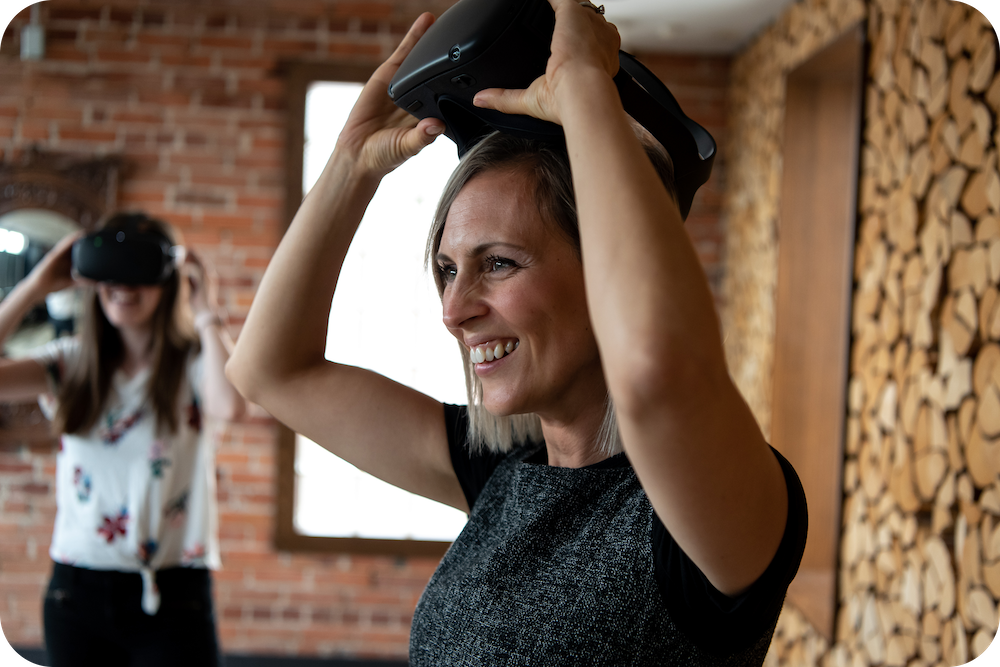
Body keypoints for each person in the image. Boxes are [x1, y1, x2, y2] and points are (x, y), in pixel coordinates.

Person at [226, 1, 807, 664]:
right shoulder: (505, 473)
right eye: (447, 269)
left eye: (498, 262)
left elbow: (654, 371)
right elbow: (269, 371)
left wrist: (587, 85)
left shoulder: (702, 511)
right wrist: (351, 165)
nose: (454, 308)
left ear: (604, 272)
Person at [0, 212, 243, 667]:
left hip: (174, 592)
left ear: (168, 280)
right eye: (112, 270)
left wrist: (206, 309)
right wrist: (35, 286)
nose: (124, 285)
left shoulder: (194, 363)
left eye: (140, 271)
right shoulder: (68, 364)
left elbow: (230, 406)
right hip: (76, 593)